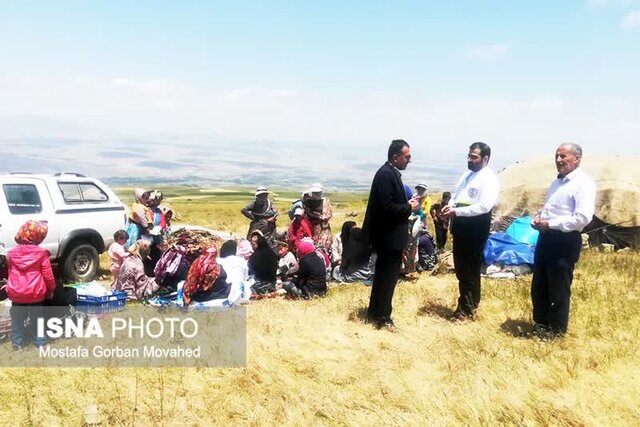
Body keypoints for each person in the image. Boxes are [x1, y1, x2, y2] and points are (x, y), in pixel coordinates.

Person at [530, 143, 595, 335]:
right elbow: (551, 209)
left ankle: (556, 330)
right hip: (546, 237)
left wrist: (551, 224)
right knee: (540, 283)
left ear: (577, 158)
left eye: (563, 156)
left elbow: (582, 218)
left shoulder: (583, 183)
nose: (558, 160)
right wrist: (539, 218)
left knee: (558, 286)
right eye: (557, 156)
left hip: (565, 240)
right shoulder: (556, 183)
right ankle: (540, 324)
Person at [362, 139, 419, 329]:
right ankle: (383, 317)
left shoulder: (389, 173)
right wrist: (408, 207)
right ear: (396, 157)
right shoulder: (386, 175)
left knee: (383, 276)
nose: (409, 161)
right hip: (389, 238)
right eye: (407, 157)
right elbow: (386, 208)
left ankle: (375, 312)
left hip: (388, 237)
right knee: (387, 278)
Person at [441, 142, 499, 320]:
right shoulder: (467, 175)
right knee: (460, 269)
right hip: (460, 229)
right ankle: (463, 303)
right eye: (469, 156)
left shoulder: (489, 178)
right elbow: (457, 196)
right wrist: (449, 207)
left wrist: (456, 211)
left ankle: (469, 308)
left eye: (474, 157)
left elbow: (484, 206)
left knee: (470, 270)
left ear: (485, 158)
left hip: (474, 230)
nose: (469, 160)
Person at [6, 220, 56, 349]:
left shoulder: (11, 253)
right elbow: (48, 276)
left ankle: (17, 343)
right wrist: (51, 290)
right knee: (37, 319)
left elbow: (10, 272)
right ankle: (40, 343)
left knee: (17, 318)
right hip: (35, 292)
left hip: (16, 292)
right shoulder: (41, 253)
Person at [303, 183, 333, 254]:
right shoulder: (308, 201)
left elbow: (329, 213)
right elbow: (308, 212)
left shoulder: (325, 201)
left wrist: (324, 218)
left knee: (325, 242)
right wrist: (319, 217)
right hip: (313, 227)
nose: (317, 195)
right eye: (315, 193)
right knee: (314, 243)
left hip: (324, 228)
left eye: (318, 193)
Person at [248, 230, 279, 294]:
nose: (252, 245)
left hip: (261, 285)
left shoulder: (255, 256)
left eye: (254, 243)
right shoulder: (272, 253)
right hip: (273, 284)